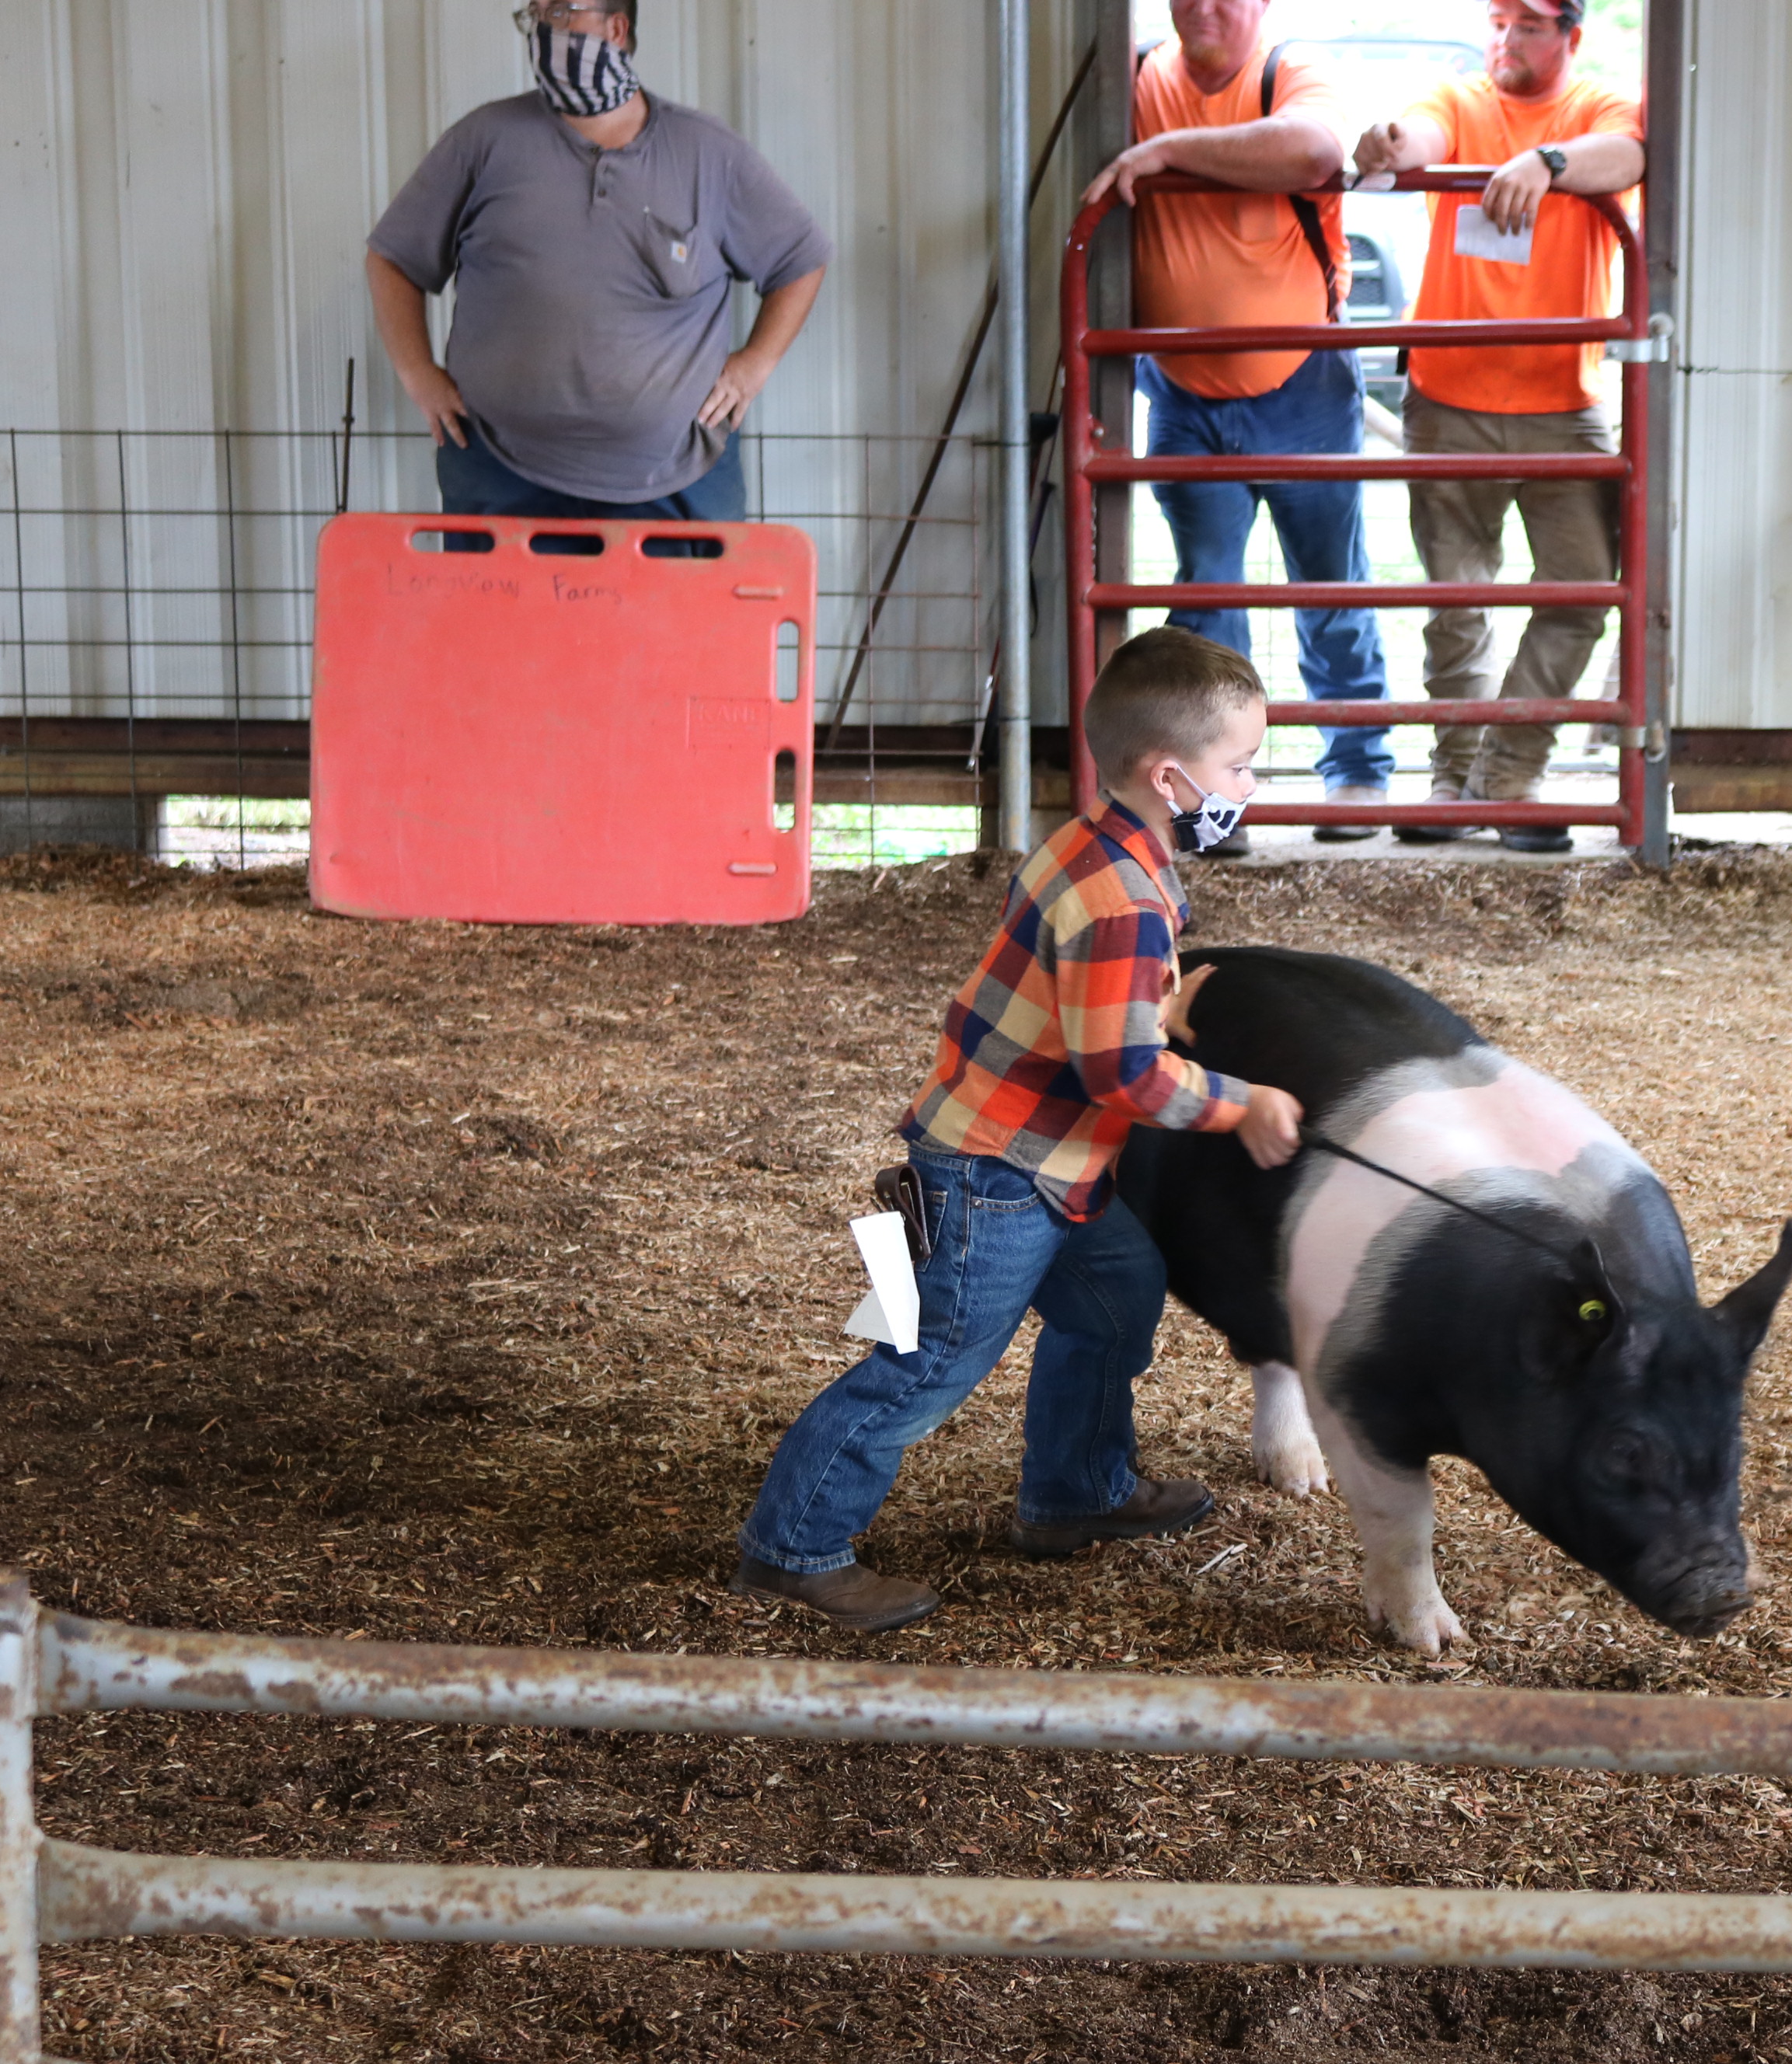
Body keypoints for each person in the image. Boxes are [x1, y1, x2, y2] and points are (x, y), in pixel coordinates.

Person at [732, 629, 1307, 1632]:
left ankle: (1075, 1491)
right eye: (1241, 767)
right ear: (1172, 776)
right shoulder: (1126, 894)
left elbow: (1078, 999)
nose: (1248, 785)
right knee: (924, 1362)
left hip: (1049, 1169)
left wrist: (1155, 1011)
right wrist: (1237, 1102)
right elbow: (1120, 1074)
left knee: (1120, 1292)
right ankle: (794, 1545)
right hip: (996, 1181)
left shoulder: (1093, 842)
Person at [1085, 0, 1394, 848]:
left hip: (1303, 382)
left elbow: (1317, 149)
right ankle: (1214, 804)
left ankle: (1357, 771)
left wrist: (1168, 152)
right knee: (1209, 593)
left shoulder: (1289, 71)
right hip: (1184, 391)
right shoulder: (1140, 76)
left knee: (1327, 582)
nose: (1205, 7)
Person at [1352, 0, 1642, 852]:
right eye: (1499, 19)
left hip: (1563, 399)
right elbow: (1422, 135)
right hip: (1451, 398)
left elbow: (1629, 152)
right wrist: (1388, 143)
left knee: (1584, 588)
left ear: (1571, 36)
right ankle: (1456, 777)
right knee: (1457, 597)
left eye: (1530, 23)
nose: (1507, 39)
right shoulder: (1460, 98)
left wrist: (1547, 161)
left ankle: (1510, 769)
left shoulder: (1594, 108)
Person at [364, 0, 828, 522]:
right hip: (499, 474)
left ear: (617, 27)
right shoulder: (483, 140)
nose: (544, 27)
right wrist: (416, 372)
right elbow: (393, 258)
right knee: (505, 610)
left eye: (562, 12)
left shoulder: (707, 152)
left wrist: (753, 366)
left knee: (682, 609)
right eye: (535, 13)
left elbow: (799, 259)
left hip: (676, 481)